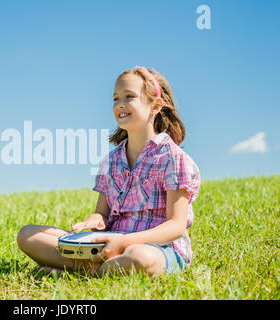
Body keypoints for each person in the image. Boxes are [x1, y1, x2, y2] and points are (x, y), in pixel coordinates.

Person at [17, 66, 201, 277]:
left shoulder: (173, 158)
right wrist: (95, 219)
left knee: (140, 259)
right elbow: (102, 213)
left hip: (158, 248)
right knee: (28, 235)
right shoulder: (111, 161)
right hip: (109, 245)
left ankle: (77, 272)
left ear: (155, 106)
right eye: (115, 98)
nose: (120, 105)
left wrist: (124, 242)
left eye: (129, 96)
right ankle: (98, 270)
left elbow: (176, 227)